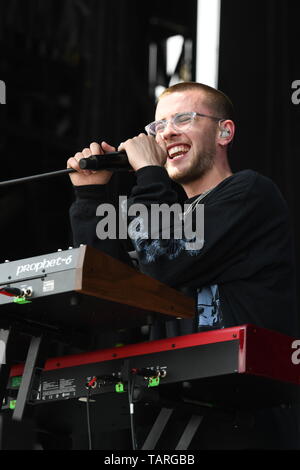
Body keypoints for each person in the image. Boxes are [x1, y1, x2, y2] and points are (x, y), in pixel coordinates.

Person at [67, 82, 299, 449]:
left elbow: (163, 259)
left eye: (184, 118)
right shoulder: (163, 216)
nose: (167, 132)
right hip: (168, 416)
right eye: (158, 127)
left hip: (243, 420)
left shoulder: (251, 192)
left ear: (225, 131)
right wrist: (91, 195)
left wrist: (147, 170)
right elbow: (110, 293)